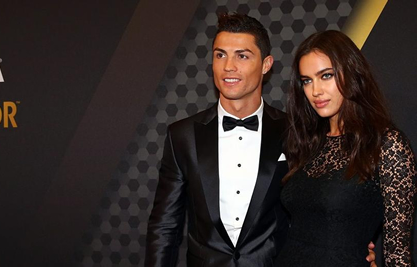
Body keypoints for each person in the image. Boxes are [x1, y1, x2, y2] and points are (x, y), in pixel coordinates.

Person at [145, 14, 377, 267]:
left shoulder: (298, 131)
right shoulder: (183, 135)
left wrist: (350, 244)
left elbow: (322, 204)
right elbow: (165, 225)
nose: (228, 67)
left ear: (266, 65)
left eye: (242, 56)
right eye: (220, 55)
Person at [276, 30, 416, 266]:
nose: (315, 91)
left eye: (326, 76)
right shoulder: (309, 142)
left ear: (352, 74)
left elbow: (398, 255)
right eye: (307, 80)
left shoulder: (387, 145)